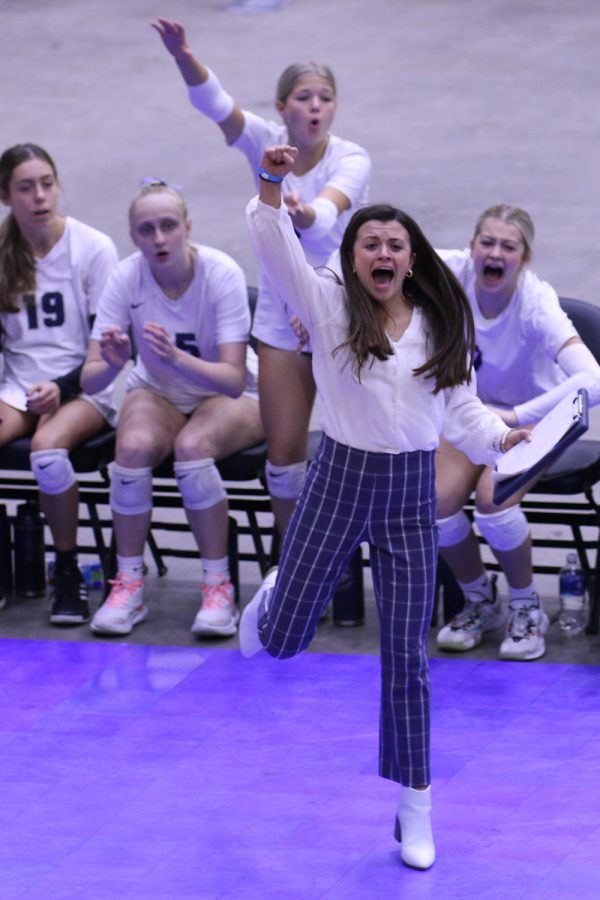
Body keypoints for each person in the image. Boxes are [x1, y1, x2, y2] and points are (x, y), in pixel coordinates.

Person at [240, 145, 531, 870]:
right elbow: (272, 243)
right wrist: (272, 182)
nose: (383, 251)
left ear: (410, 261)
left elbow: (463, 413)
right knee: (280, 643)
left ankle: (415, 806)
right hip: (339, 478)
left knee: (408, 655)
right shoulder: (327, 303)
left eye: (395, 244)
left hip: (408, 492)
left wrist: (502, 436)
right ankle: (274, 602)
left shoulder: (438, 324)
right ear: (353, 256)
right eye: (370, 241)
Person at [152, 17, 371, 539]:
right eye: (303, 97)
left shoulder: (352, 158)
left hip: (344, 317)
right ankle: (290, 562)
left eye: (324, 97)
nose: (315, 107)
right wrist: (184, 56)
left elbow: (327, 211)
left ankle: (347, 558)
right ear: (282, 108)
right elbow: (216, 105)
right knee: (284, 460)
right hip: (281, 319)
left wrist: (301, 213)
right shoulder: (265, 143)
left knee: (365, 448)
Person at [81, 179, 263, 637]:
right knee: (133, 448)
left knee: (192, 446)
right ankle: (127, 585)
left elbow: (233, 376)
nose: (158, 239)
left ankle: (218, 587)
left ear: (187, 227)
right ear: (134, 236)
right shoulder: (126, 277)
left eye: (167, 226)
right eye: (146, 230)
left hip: (230, 396)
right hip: (159, 390)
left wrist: (176, 358)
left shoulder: (219, 274)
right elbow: (90, 377)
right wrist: (116, 364)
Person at [434, 204, 600, 661]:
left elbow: (593, 381)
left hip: (533, 420)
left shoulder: (535, 303)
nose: (495, 252)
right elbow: (372, 270)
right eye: (487, 242)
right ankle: (480, 602)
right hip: (472, 414)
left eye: (508, 246)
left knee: (492, 504)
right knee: (435, 503)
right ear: (472, 248)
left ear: (523, 259)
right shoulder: (449, 273)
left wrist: (515, 416)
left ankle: (527, 608)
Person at [0, 143, 118, 624]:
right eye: (26, 188)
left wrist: (63, 389)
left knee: (47, 450)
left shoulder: (92, 248)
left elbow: (104, 347)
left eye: (47, 183)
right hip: (17, 385)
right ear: (7, 196)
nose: (40, 196)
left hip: (90, 383)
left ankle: (66, 571)